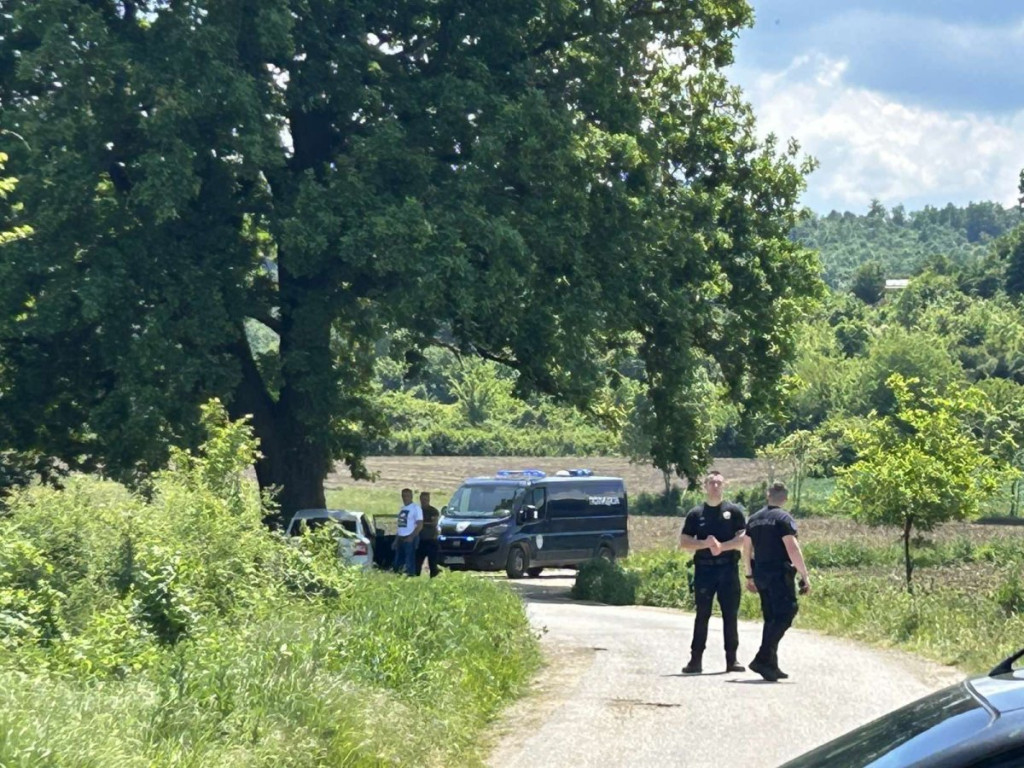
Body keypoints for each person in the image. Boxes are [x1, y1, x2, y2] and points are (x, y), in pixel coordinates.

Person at [679, 471, 747, 674]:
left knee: (730, 615)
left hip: (728, 569)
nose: (715, 486)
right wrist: (704, 544)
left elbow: (744, 538)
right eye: (711, 483)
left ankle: (732, 660)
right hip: (704, 570)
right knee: (702, 615)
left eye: (718, 483)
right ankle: (695, 660)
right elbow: (684, 541)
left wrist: (722, 547)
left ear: (724, 486)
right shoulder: (696, 514)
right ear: (705, 486)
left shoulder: (733, 512)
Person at [742, 481, 811, 682]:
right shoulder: (783, 518)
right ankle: (762, 658)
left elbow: (746, 549)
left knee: (771, 618)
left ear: (767, 495)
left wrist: (749, 574)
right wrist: (804, 575)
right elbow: (792, 548)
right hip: (779, 574)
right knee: (787, 612)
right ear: (786, 497)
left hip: (761, 573)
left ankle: (771, 664)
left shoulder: (754, 519)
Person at [394, 488, 423, 576]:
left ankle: (411, 577)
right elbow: (400, 526)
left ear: (411, 496)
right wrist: (396, 540)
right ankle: (399, 576)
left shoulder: (415, 508)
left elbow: (420, 525)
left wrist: (411, 537)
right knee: (398, 561)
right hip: (400, 537)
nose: (405, 498)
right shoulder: (402, 508)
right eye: (403, 496)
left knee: (409, 561)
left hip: (410, 538)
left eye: (407, 496)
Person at [416, 491, 441, 578]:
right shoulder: (417, 511)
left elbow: (434, 523)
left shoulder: (433, 511)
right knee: (417, 563)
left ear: (429, 500)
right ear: (420, 499)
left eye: (426, 499)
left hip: (431, 540)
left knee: (432, 564)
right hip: (420, 540)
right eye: (423, 499)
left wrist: (421, 524)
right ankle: (415, 579)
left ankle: (433, 579)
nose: (424, 501)